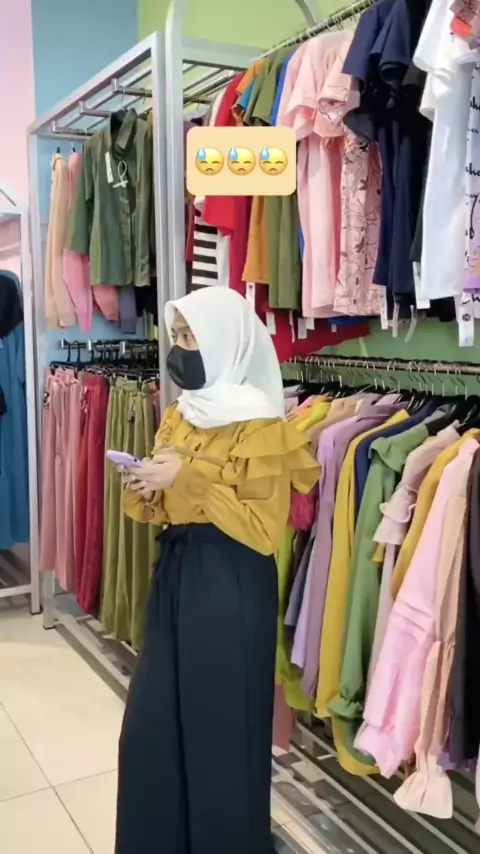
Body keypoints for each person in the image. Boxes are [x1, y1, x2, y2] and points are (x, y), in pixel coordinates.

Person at [114, 288, 319, 854]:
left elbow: (260, 530)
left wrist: (187, 478)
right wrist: (148, 485)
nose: (180, 349)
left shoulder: (261, 425)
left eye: (191, 337)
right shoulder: (184, 411)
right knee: (153, 729)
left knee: (221, 734)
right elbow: (167, 503)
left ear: (226, 342)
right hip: (177, 575)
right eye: (177, 336)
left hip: (232, 585)